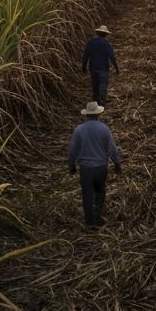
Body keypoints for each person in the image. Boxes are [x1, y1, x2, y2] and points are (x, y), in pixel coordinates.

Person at [67, 100, 121, 228]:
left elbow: (73, 150)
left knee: (87, 195)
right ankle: (97, 217)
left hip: (86, 168)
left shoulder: (79, 130)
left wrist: (71, 165)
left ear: (86, 114)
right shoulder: (104, 129)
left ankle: (89, 222)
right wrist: (117, 163)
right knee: (100, 193)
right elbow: (111, 148)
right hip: (101, 167)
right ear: (98, 114)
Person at [82, 25, 118, 106]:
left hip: (93, 68)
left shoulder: (90, 43)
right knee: (103, 86)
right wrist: (116, 68)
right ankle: (102, 104)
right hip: (103, 68)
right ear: (106, 34)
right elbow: (112, 57)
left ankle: (96, 103)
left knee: (95, 86)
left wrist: (84, 67)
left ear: (97, 33)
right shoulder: (107, 44)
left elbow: (85, 56)